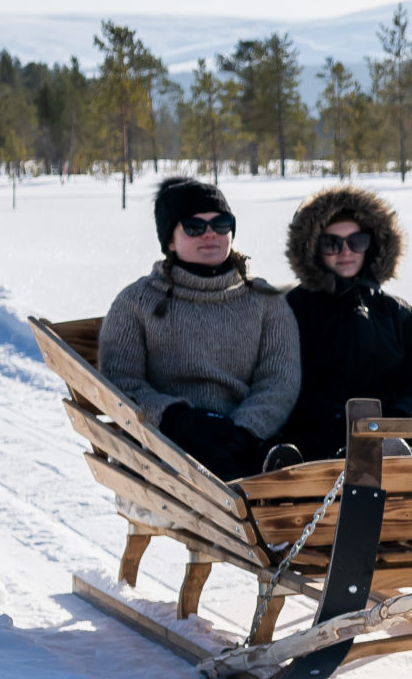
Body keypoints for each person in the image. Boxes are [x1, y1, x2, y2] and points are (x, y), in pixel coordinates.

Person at [99, 176, 302, 481]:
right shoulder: (136, 301)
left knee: (289, 454)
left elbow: (279, 379)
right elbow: (121, 381)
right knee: (211, 460)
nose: (210, 234)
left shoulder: (263, 299)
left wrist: (244, 428)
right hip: (171, 439)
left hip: (247, 435)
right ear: (169, 239)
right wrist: (178, 418)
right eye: (194, 226)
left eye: (221, 224)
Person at [277, 185, 412, 462]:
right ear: (313, 247)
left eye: (357, 241)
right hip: (321, 445)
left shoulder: (396, 312)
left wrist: (398, 421)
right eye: (332, 243)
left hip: (395, 435)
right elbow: (282, 381)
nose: (346, 251)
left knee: (405, 451)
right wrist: (340, 422)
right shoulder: (293, 309)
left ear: (373, 244)